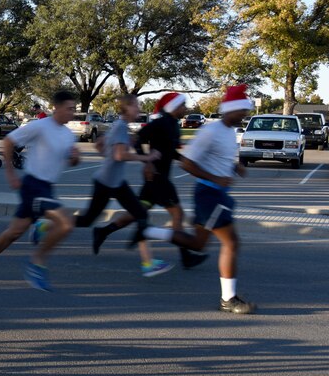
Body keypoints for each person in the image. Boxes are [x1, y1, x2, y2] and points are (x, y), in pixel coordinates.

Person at [140, 85, 256, 314]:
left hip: (217, 194)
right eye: (242, 111)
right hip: (210, 194)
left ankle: (147, 232)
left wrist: (233, 167)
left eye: (246, 111)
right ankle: (228, 299)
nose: (245, 115)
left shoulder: (228, 131)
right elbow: (187, 163)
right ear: (229, 110)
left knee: (198, 244)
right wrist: (216, 178)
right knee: (231, 242)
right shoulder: (210, 132)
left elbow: (218, 158)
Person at [0, 91, 79, 292]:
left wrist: (74, 157)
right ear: (57, 107)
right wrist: (10, 172)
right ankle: (37, 264)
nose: (72, 113)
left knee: (15, 232)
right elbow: (9, 142)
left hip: (47, 188)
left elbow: (72, 160)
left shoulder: (68, 134)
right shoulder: (40, 126)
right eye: (69, 109)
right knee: (66, 223)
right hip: (32, 185)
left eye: (74, 109)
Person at [92, 92, 196, 270]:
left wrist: (183, 159)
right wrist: (146, 160)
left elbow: (168, 151)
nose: (185, 108)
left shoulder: (173, 124)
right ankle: (185, 255)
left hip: (156, 179)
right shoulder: (161, 122)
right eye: (182, 105)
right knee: (177, 214)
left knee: (137, 212)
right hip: (157, 178)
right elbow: (138, 138)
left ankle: (103, 231)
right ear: (174, 107)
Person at [66, 94, 164, 277]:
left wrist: (108, 156)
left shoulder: (119, 126)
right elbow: (119, 155)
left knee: (139, 214)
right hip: (106, 182)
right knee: (88, 219)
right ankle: (47, 225)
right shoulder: (120, 127)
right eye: (136, 106)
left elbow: (99, 145)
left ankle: (148, 262)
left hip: (114, 181)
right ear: (127, 108)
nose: (139, 109)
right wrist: (147, 157)